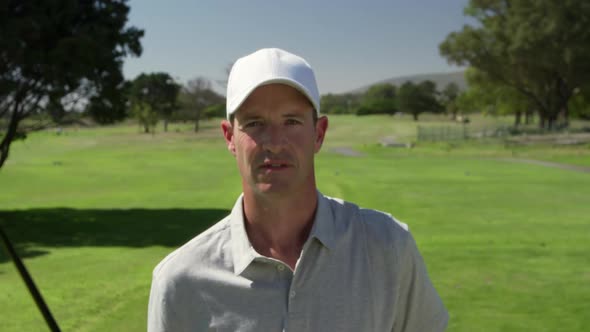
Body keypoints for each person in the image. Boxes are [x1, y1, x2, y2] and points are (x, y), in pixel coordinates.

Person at [148, 48, 448, 332]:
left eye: (291, 121)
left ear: (318, 134)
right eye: (254, 123)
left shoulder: (388, 247)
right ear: (229, 136)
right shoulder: (180, 280)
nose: (274, 142)